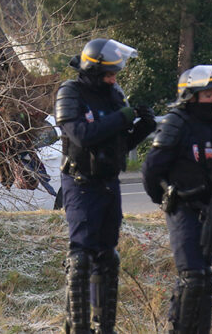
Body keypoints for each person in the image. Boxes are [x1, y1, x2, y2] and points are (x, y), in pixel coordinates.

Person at [55, 38, 156, 334]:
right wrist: (120, 117)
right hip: (80, 181)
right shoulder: (70, 92)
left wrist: (142, 127)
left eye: (116, 74)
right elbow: (82, 135)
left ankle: (105, 327)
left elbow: (119, 145)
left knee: (107, 256)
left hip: (109, 182)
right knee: (81, 256)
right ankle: (77, 327)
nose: (114, 79)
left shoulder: (115, 94)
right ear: (94, 71)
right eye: (110, 74)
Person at [143, 65, 212, 333]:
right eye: (207, 94)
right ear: (191, 95)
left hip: (210, 208)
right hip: (183, 207)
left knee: (205, 279)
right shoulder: (177, 122)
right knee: (192, 276)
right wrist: (165, 199)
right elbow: (151, 168)